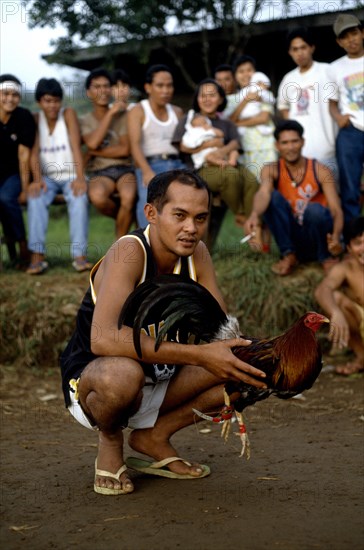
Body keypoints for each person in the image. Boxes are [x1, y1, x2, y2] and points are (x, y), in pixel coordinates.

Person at [60, 169, 267, 495]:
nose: (191, 228)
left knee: (246, 365)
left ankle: (154, 437)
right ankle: (110, 438)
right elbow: (102, 339)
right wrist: (199, 354)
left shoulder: (197, 253)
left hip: (159, 375)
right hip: (99, 383)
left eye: (201, 218)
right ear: (151, 214)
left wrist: (259, 355)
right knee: (121, 376)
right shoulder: (129, 251)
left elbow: (223, 333)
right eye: (180, 215)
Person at [244, 120, 344, 275]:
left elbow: (336, 210)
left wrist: (336, 237)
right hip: (292, 237)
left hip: (318, 237)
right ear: (277, 145)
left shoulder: (321, 170)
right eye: (285, 143)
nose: (290, 147)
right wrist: (254, 215)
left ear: (303, 142)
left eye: (294, 141)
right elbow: (263, 193)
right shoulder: (271, 169)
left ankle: (325, 257)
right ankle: (289, 255)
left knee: (315, 210)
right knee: (272, 196)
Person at [173, 79, 259, 246]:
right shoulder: (189, 120)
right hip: (201, 168)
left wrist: (222, 151)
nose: (207, 99)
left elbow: (235, 143)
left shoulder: (226, 123)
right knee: (230, 176)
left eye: (212, 95)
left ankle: (252, 226)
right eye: (202, 95)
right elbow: (183, 147)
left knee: (252, 182)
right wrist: (209, 145)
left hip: (227, 161)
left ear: (220, 99)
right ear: (197, 99)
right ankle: (240, 214)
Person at [26, 78, 91, 275]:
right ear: (39, 102)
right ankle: (37, 256)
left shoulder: (68, 114)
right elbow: (34, 152)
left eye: (56, 100)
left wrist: (80, 178)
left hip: (71, 174)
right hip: (48, 178)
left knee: (79, 198)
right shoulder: (36, 119)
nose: (52, 105)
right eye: (47, 100)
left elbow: (76, 147)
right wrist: (37, 179)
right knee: (35, 197)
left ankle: (79, 256)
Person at [81, 68, 136, 238]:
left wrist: (96, 151)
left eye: (106, 86)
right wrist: (110, 113)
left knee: (128, 196)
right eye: (97, 87)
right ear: (89, 92)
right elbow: (92, 142)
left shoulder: (124, 116)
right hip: (100, 172)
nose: (103, 91)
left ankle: (118, 245)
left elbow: (125, 150)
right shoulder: (84, 120)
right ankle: (127, 217)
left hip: (125, 168)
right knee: (97, 197)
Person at [127, 65, 185, 228]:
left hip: (177, 164)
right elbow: (135, 145)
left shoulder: (177, 112)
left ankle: (183, 247)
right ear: (148, 87)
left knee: (190, 199)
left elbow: (183, 144)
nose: (166, 90)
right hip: (150, 164)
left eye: (169, 85)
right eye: (160, 85)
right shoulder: (138, 111)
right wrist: (146, 171)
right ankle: (147, 245)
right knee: (148, 202)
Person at [277, 27, 338, 178]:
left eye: (303, 47)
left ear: (312, 48)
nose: (300, 53)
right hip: (300, 154)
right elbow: (283, 107)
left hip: (328, 149)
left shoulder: (327, 71)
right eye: (295, 49)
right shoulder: (288, 79)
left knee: (333, 196)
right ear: (290, 52)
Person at [314, 216, 364, 375]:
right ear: (348, 247)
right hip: (361, 324)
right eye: (358, 243)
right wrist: (335, 313)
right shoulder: (346, 268)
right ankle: (362, 356)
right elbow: (322, 289)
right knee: (334, 299)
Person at [328, 14, 364, 228]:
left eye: (354, 33)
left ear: (362, 33)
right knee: (350, 188)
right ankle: (353, 240)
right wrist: (339, 117)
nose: (351, 39)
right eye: (345, 37)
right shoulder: (335, 68)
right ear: (339, 42)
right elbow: (332, 104)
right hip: (351, 132)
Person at [0, 74, 36, 264]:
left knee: (6, 198)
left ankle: (22, 244)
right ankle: (11, 252)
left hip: (13, 174)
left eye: (15, 94)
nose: (10, 98)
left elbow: (24, 155)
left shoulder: (23, 117)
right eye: (5, 93)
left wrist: (23, 187)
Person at [229, 56, 276, 180]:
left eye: (249, 70)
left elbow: (263, 118)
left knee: (268, 183)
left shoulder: (263, 93)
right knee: (251, 187)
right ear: (235, 76)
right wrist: (246, 100)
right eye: (241, 71)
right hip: (243, 149)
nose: (245, 74)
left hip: (265, 147)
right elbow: (230, 121)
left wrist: (238, 123)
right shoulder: (232, 99)